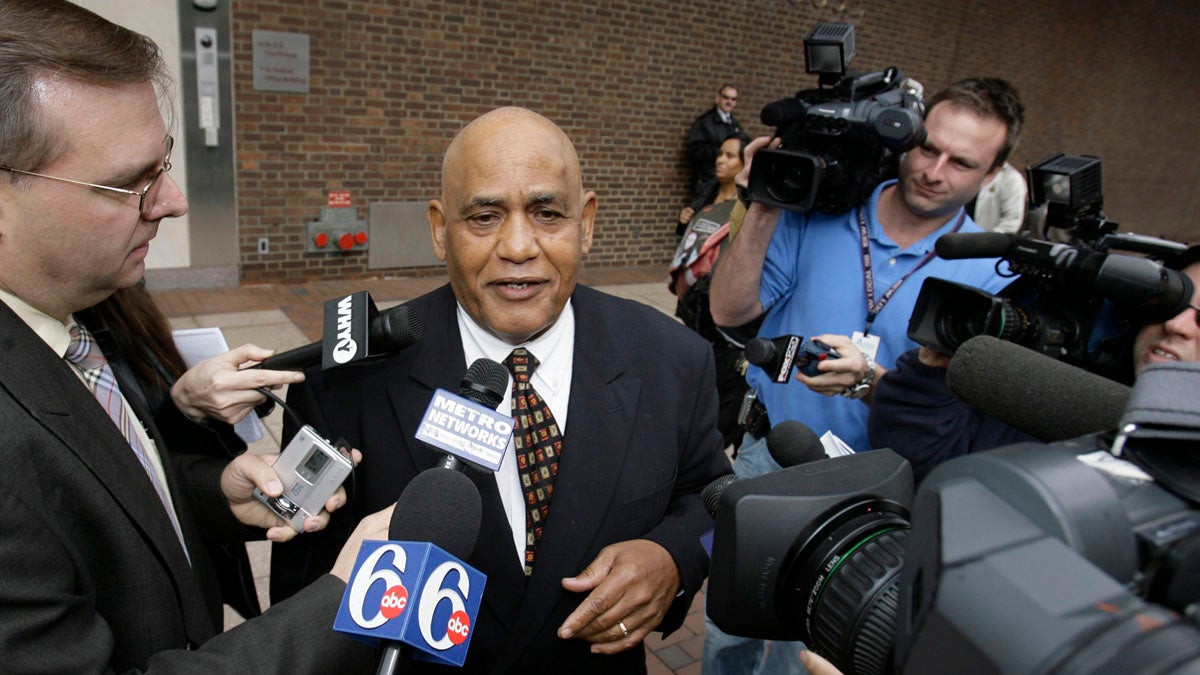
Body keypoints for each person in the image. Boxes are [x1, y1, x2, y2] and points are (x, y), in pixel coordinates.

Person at [0, 2, 392, 671]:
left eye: (165, 166)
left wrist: (212, 495)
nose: (174, 200)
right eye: (130, 183)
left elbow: (95, 492)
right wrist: (348, 597)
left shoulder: (75, 309)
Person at [270, 106, 731, 673]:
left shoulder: (671, 359)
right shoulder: (343, 384)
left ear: (585, 222)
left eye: (546, 213)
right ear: (440, 230)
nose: (518, 246)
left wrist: (674, 559)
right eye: (485, 217)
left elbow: (712, 498)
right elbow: (303, 605)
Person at [704, 77, 1025, 674]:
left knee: (816, 651)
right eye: (929, 148)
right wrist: (766, 202)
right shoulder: (819, 208)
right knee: (730, 632)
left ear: (993, 175)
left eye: (962, 163)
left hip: (882, 484)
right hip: (770, 454)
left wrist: (873, 382)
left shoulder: (992, 270)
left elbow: (959, 413)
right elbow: (728, 312)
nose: (934, 170)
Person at [869, 251, 1200, 484]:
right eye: (1173, 306)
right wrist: (930, 375)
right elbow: (920, 465)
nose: (1177, 325)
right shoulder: (1052, 389)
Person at [669, 132, 757, 447]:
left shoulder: (746, 207)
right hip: (692, 305)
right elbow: (692, 246)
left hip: (717, 308)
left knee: (715, 381)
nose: (721, 160)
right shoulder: (706, 194)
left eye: (730, 155)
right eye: (720, 153)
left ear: (745, 163)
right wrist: (684, 224)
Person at [686, 83, 743, 198]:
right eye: (726, 97)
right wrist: (720, 153)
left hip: (724, 183)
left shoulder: (735, 124)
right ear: (718, 98)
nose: (729, 102)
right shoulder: (705, 122)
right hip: (707, 181)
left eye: (733, 99)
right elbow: (694, 150)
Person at [970, 161, 1027, 233]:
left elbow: (1011, 220)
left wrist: (985, 241)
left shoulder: (1011, 178)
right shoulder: (970, 171)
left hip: (986, 240)